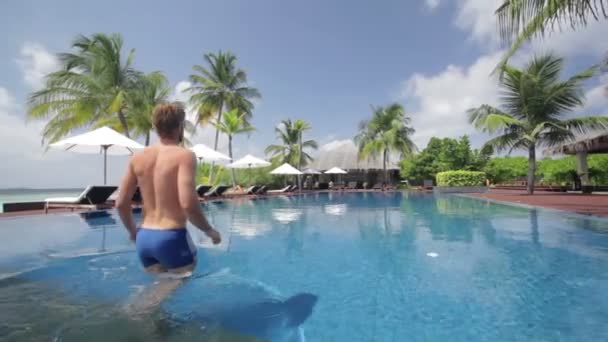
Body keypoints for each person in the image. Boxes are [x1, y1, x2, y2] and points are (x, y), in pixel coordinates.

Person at [116, 103, 221, 311]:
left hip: (144, 238)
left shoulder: (137, 158)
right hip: (171, 237)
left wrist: (132, 232)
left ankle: (157, 328)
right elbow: (188, 204)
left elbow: (120, 203)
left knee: (159, 288)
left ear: (155, 126)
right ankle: (137, 311)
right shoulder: (184, 156)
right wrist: (209, 230)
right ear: (180, 126)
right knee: (166, 289)